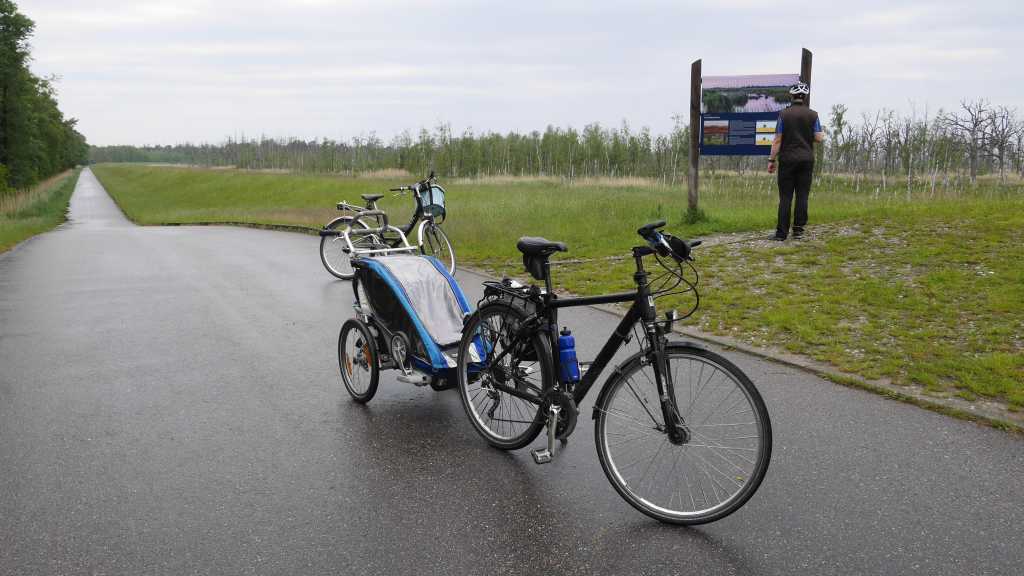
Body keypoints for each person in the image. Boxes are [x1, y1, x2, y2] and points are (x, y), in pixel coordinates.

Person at [767, 82, 824, 240]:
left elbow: (777, 140)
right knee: (802, 195)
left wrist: (771, 160)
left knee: (785, 197)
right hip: (806, 160)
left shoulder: (784, 115)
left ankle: (781, 233)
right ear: (804, 97)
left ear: (791, 96)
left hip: (787, 160)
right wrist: (806, 133)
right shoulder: (813, 115)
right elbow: (819, 137)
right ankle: (798, 230)